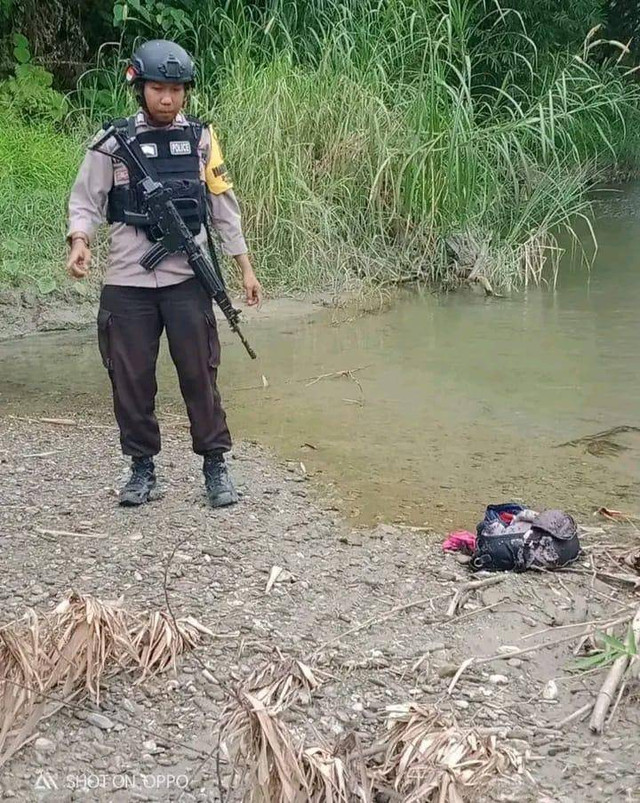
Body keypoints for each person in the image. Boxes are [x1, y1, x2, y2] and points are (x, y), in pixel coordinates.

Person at [66, 39, 261, 508]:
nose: (167, 99)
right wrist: (79, 242)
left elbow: (223, 210)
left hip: (186, 280)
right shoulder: (112, 141)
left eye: (176, 89)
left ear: (186, 92)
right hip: (127, 279)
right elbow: (85, 199)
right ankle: (141, 468)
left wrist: (245, 270)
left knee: (200, 374)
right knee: (130, 378)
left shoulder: (201, 139)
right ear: (141, 88)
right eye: (158, 88)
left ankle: (215, 466)